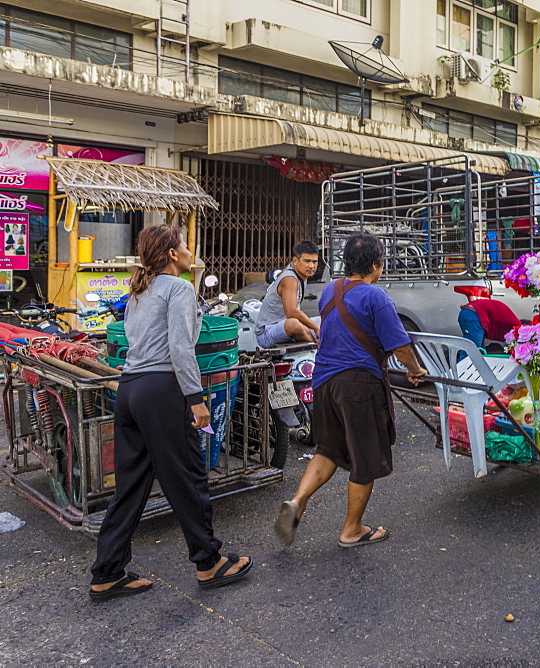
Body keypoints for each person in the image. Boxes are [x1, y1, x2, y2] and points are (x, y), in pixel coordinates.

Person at [89, 225, 252, 603]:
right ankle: (209, 562)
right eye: (183, 244)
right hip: (163, 390)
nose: (188, 249)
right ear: (171, 254)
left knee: (130, 486)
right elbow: (181, 347)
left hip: (131, 390)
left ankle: (107, 572)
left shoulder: (139, 292)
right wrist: (196, 399)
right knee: (188, 477)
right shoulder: (178, 288)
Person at [274, 232, 427, 548]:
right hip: (358, 385)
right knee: (365, 456)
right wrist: (416, 371)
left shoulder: (332, 289)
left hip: (324, 383)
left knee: (329, 449)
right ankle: (352, 530)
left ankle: (298, 500)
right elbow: (400, 346)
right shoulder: (376, 297)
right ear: (375, 265)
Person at [256, 240, 321, 348]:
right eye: (307, 261)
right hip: (266, 333)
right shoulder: (290, 279)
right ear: (295, 261)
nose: (311, 266)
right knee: (294, 324)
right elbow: (291, 312)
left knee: (327, 319)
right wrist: (315, 327)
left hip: (281, 326)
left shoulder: (298, 273)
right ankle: (318, 348)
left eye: (314, 262)